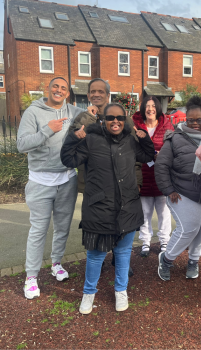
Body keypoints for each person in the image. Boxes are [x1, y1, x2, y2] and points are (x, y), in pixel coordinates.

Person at [61, 103, 154, 314]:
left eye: (120, 118)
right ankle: (88, 292)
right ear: (103, 119)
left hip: (127, 206)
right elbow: (68, 159)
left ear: (125, 120)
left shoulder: (131, 140)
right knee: (95, 255)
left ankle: (121, 290)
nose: (116, 121)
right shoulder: (91, 139)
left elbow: (148, 156)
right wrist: (73, 138)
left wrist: (145, 138)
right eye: (111, 118)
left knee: (123, 254)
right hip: (99, 208)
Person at [17, 77, 85, 299]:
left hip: (66, 179)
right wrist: (47, 130)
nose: (59, 90)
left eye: (63, 88)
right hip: (40, 182)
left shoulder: (74, 112)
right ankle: (31, 277)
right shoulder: (33, 112)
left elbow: (92, 120)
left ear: (67, 93)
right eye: (55, 86)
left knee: (63, 227)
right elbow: (21, 145)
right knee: (38, 230)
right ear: (48, 88)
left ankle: (56, 263)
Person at [70, 78, 141, 275]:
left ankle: (119, 259)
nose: (96, 94)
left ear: (108, 94)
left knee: (121, 220)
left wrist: (137, 181)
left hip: (122, 183)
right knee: (96, 221)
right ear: (88, 94)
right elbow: (73, 142)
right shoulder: (83, 117)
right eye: (93, 91)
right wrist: (89, 118)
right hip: (94, 182)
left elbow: (134, 154)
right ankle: (97, 256)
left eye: (101, 91)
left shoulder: (122, 118)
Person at [155, 96, 201, 281]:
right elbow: (161, 166)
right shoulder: (174, 138)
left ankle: (193, 260)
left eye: (199, 120)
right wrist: (168, 190)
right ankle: (166, 259)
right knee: (189, 227)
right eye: (191, 120)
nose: (195, 123)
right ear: (186, 119)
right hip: (180, 191)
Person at [132, 96, 174, 257]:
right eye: (147, 106)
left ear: (158, 108)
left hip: (162, 176)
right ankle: (145, 242)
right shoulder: (135, 126)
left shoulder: (167, 125)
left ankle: (164, 241)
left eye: (153, 106)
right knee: (144, 211)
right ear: (143, 108)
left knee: (164, 212)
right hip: (142, 175)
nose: (150, 109)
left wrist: (162, 156)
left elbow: (173, 147)